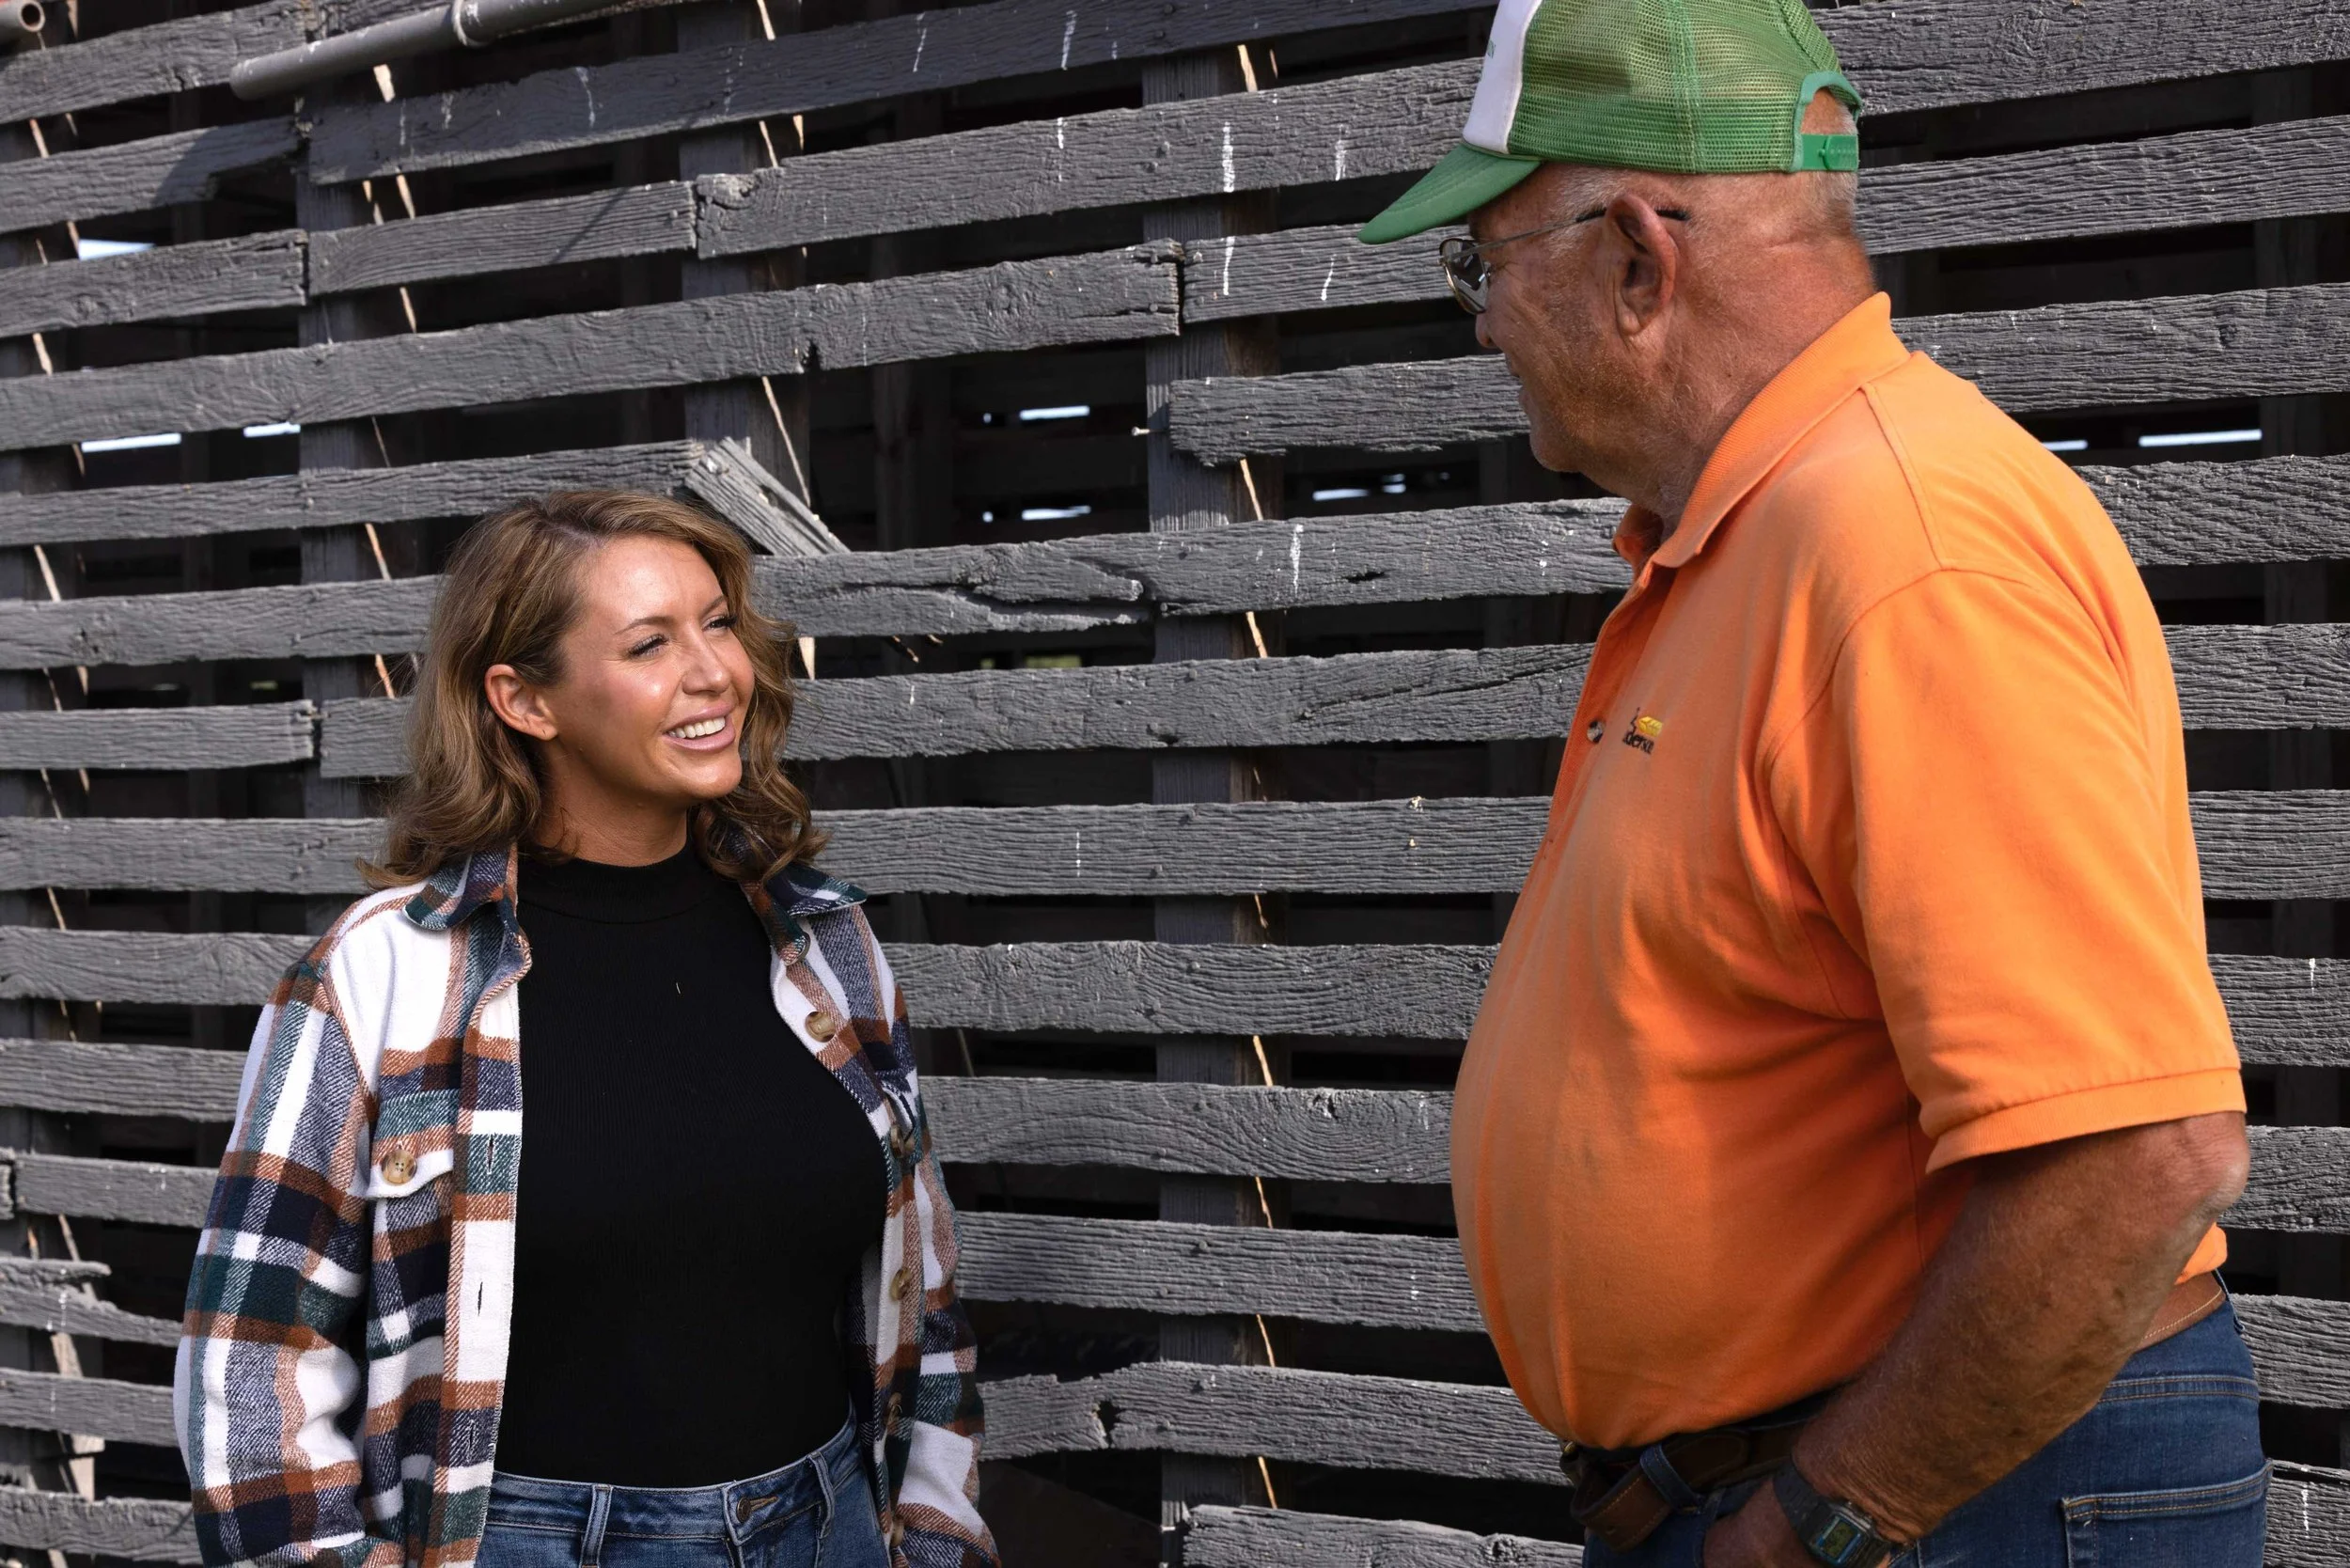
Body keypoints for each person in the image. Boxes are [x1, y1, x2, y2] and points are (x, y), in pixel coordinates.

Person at [1359, 2, 2264, 1565]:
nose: (1487, 323)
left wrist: (1816, 1521)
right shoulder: (1763, 532)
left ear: (1639, 258)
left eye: (1482, 264)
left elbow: (2133, 1155)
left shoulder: (1900, 545)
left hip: (1943, 1499)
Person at [173, 491, 997, 1568]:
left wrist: (934, 1536)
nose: (714, 673)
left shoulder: (826, 945)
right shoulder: (385, 971)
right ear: (523, 700)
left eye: (717, 623)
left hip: (826, 1523)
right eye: (651, 643)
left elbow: (924, 1302)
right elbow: (250, 1350)